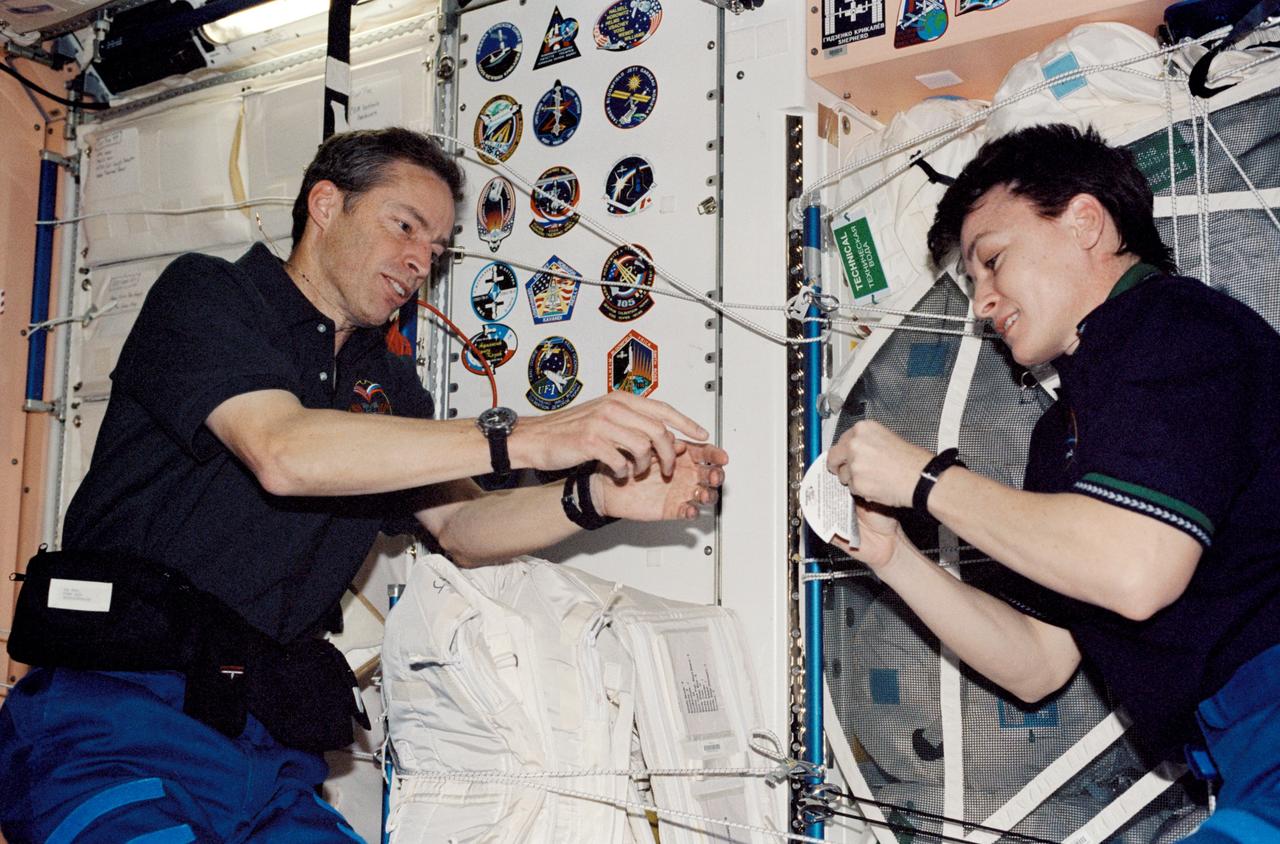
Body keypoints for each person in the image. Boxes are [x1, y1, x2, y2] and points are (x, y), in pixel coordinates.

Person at [0, 127, 727, 842]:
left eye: (436, 251)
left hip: (263, 751)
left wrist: (596, 499)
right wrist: (531, 434)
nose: (420, 262)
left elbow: (462, 531)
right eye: (405, 226)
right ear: (325, 205)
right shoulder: (210, 297)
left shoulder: (385, 385)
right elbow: (283, 452)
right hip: (119, 721)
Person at [827, 124, 1280, 841]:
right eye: (972, 281)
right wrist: (892, 558)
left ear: (1086, 223)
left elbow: (1135, 570)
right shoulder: (1062, 436)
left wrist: (923, 477)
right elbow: (1038, 662)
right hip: (1241, 759)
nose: (982, 299)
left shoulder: (1175, 326)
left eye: (993, 260)